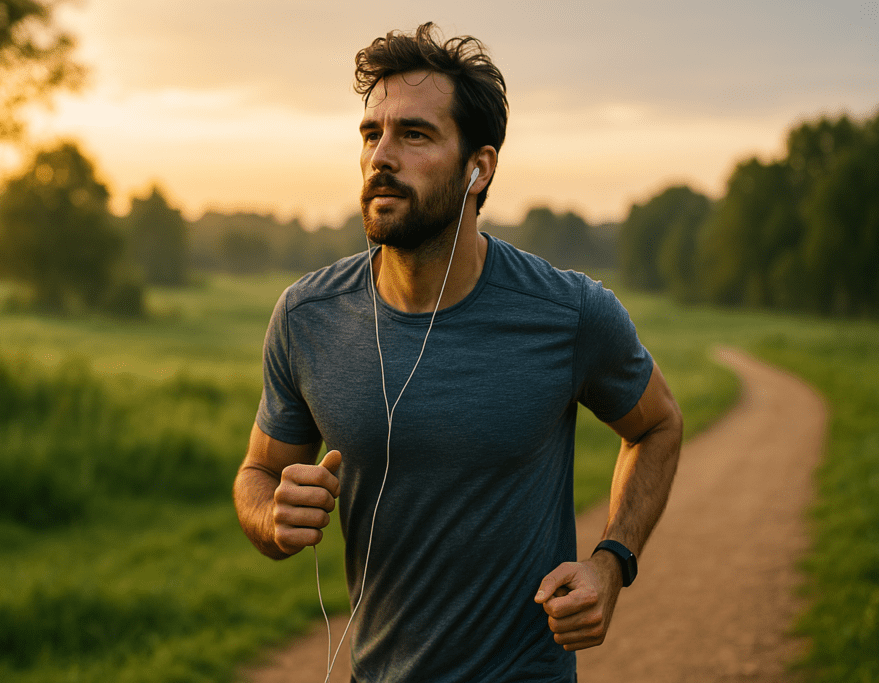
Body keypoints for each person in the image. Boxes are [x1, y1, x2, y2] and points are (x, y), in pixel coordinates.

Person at [233, 22, 683, 683]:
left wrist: (612, 562)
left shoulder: (570, 313)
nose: (382, 155)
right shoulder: (308, 317)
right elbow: (257, 473)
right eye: (371, 133)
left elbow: (657, 423)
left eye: (414, 134)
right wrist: (270, 515)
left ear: (480, 166)